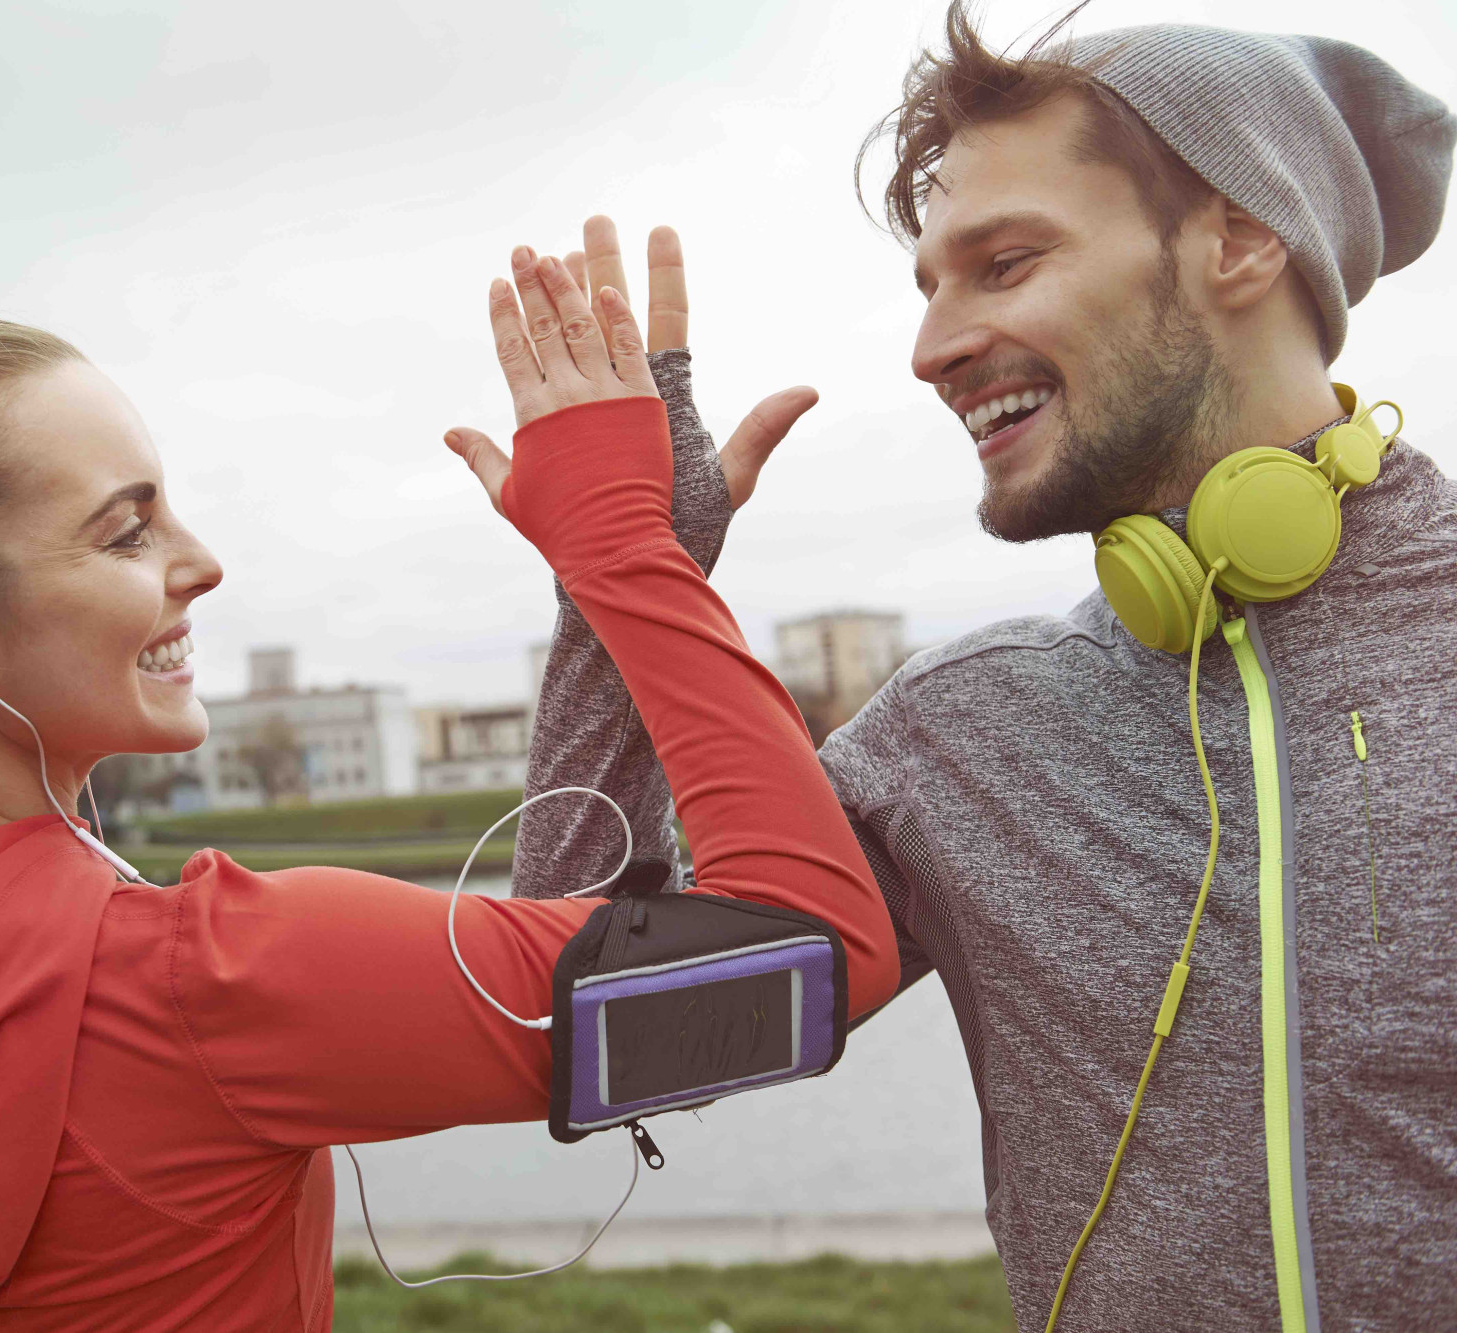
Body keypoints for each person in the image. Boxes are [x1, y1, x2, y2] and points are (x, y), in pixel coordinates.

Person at [0, 260, 899, 1329]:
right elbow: (809, 957)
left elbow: (569, 950)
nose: (202, 562)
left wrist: (602, 605)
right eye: (126, 531)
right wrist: (621, 548)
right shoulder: (218, 980)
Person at [489, 7, 1456, 1331]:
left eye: (1002, 264)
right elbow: (600, 1031)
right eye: (929, 284)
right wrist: (619, 579)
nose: (932, 347)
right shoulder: (970, 730)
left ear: (1239, 237)